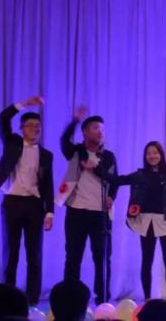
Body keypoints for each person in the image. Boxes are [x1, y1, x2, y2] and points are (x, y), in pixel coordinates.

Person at [0, 96, 54, 305]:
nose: (35, 129)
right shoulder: (12, 143)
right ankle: (8, 297)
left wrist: (49, 212)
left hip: (34, 205)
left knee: (34, 255)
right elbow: (3, 117)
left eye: (38, 126)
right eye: (30, 125)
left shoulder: (46, 155)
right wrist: (24, 104)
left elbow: (48, 185)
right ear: (22, 128)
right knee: (11, 252)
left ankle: (32, 300)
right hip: (12, 202)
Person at [92, 141, 166, 299]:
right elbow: (117, 180)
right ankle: (147, 298)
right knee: (146, 261)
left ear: (161, 155)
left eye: (155, 152)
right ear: (145, 156)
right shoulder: (140, 175)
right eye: (149, 153)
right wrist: (96, 169)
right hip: (145, 221)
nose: (152, 156)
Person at [60, 107, 119, 305]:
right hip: (76, 211)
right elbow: (64, 141)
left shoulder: (108, 156)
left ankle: (103, 298)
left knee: (102, 257)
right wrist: (75, 120)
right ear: (85, 132)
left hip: (100, 213)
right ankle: (70, 298)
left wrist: (111, 196)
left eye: (102, 128)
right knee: (73, 256)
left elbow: (114, 180)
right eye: (95, 128)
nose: (100, 131)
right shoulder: (76, 152)